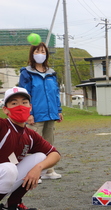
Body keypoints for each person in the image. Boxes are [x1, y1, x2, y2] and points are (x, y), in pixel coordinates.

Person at [0, 87, 61, 210]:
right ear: (5, 110)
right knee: (9, 169)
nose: (20, 106)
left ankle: (12, 205)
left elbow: (55, 154)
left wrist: (38, 168)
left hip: (4, 179)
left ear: (30, 107)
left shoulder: (30, 134)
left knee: (41, 159)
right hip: (5, 173)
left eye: (24, 102)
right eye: (14, 103)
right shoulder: (2, 125)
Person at [19, 42, 63, 180]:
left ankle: (49, 170)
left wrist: (58, 110)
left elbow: (55, 93)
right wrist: (29, 113)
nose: (40, 54)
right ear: (32, 53)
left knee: (49, 143)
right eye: (37, 51)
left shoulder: (51, 73)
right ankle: (32, 173)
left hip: (50, 113)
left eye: (43, 51)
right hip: (35, 115)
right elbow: (25, 95)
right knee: (32, 145)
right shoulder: (27, 73)